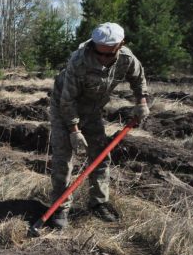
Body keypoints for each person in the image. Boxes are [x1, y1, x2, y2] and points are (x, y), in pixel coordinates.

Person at [48, 22, 149, 229]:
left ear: (120, 45)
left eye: (108, 55)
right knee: (63, 157)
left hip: (92, 110)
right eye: (98, 54)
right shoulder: (79, 61)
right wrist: (74, 131)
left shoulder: (127, 58)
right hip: (64, 108)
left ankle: (98, 203)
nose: (102, 59)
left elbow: (138, 78)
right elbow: (67, 101)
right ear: (93, 45)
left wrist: (141, 102)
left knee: (101, 155)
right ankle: (60, 208)